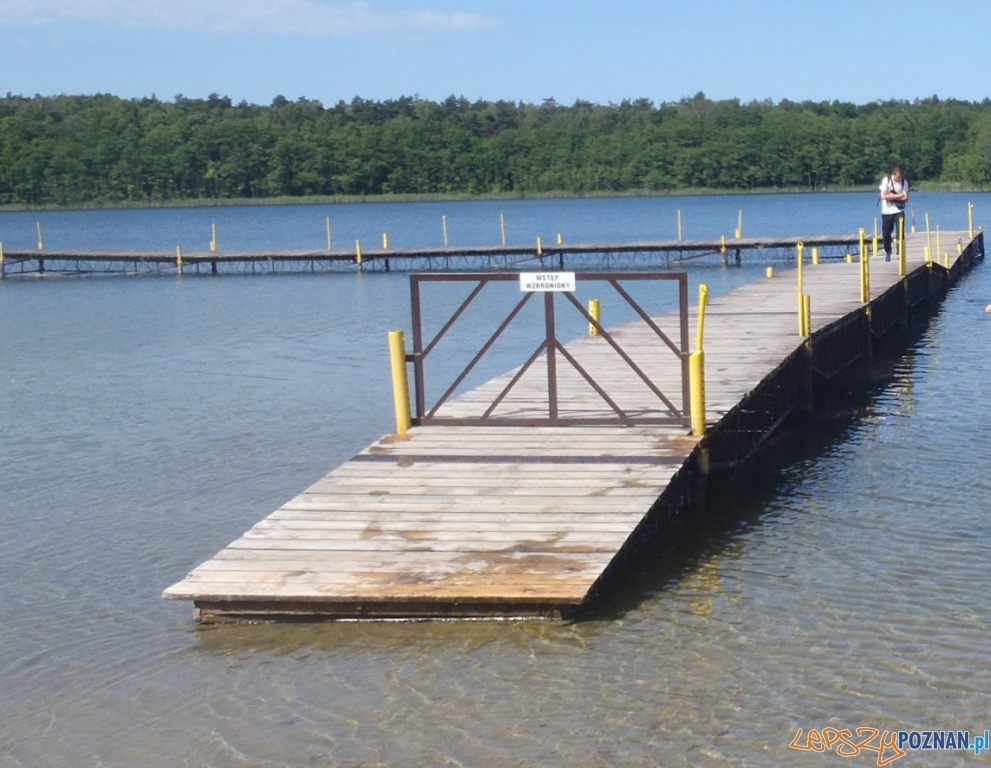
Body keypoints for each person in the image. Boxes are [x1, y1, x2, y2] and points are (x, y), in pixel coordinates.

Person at [879, 165, 909, 262]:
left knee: (900, 233)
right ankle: (888, 251)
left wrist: (891, 195)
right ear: (894, 174)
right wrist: (899, 195)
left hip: (899, 211)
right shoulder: (886, 181)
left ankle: (900, 253)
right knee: (886, 234)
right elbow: (883, 196)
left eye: (901, 177)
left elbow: (906, 198)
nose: (900, 178)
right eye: (898, 177)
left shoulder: (904, 182)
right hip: (887, 212)